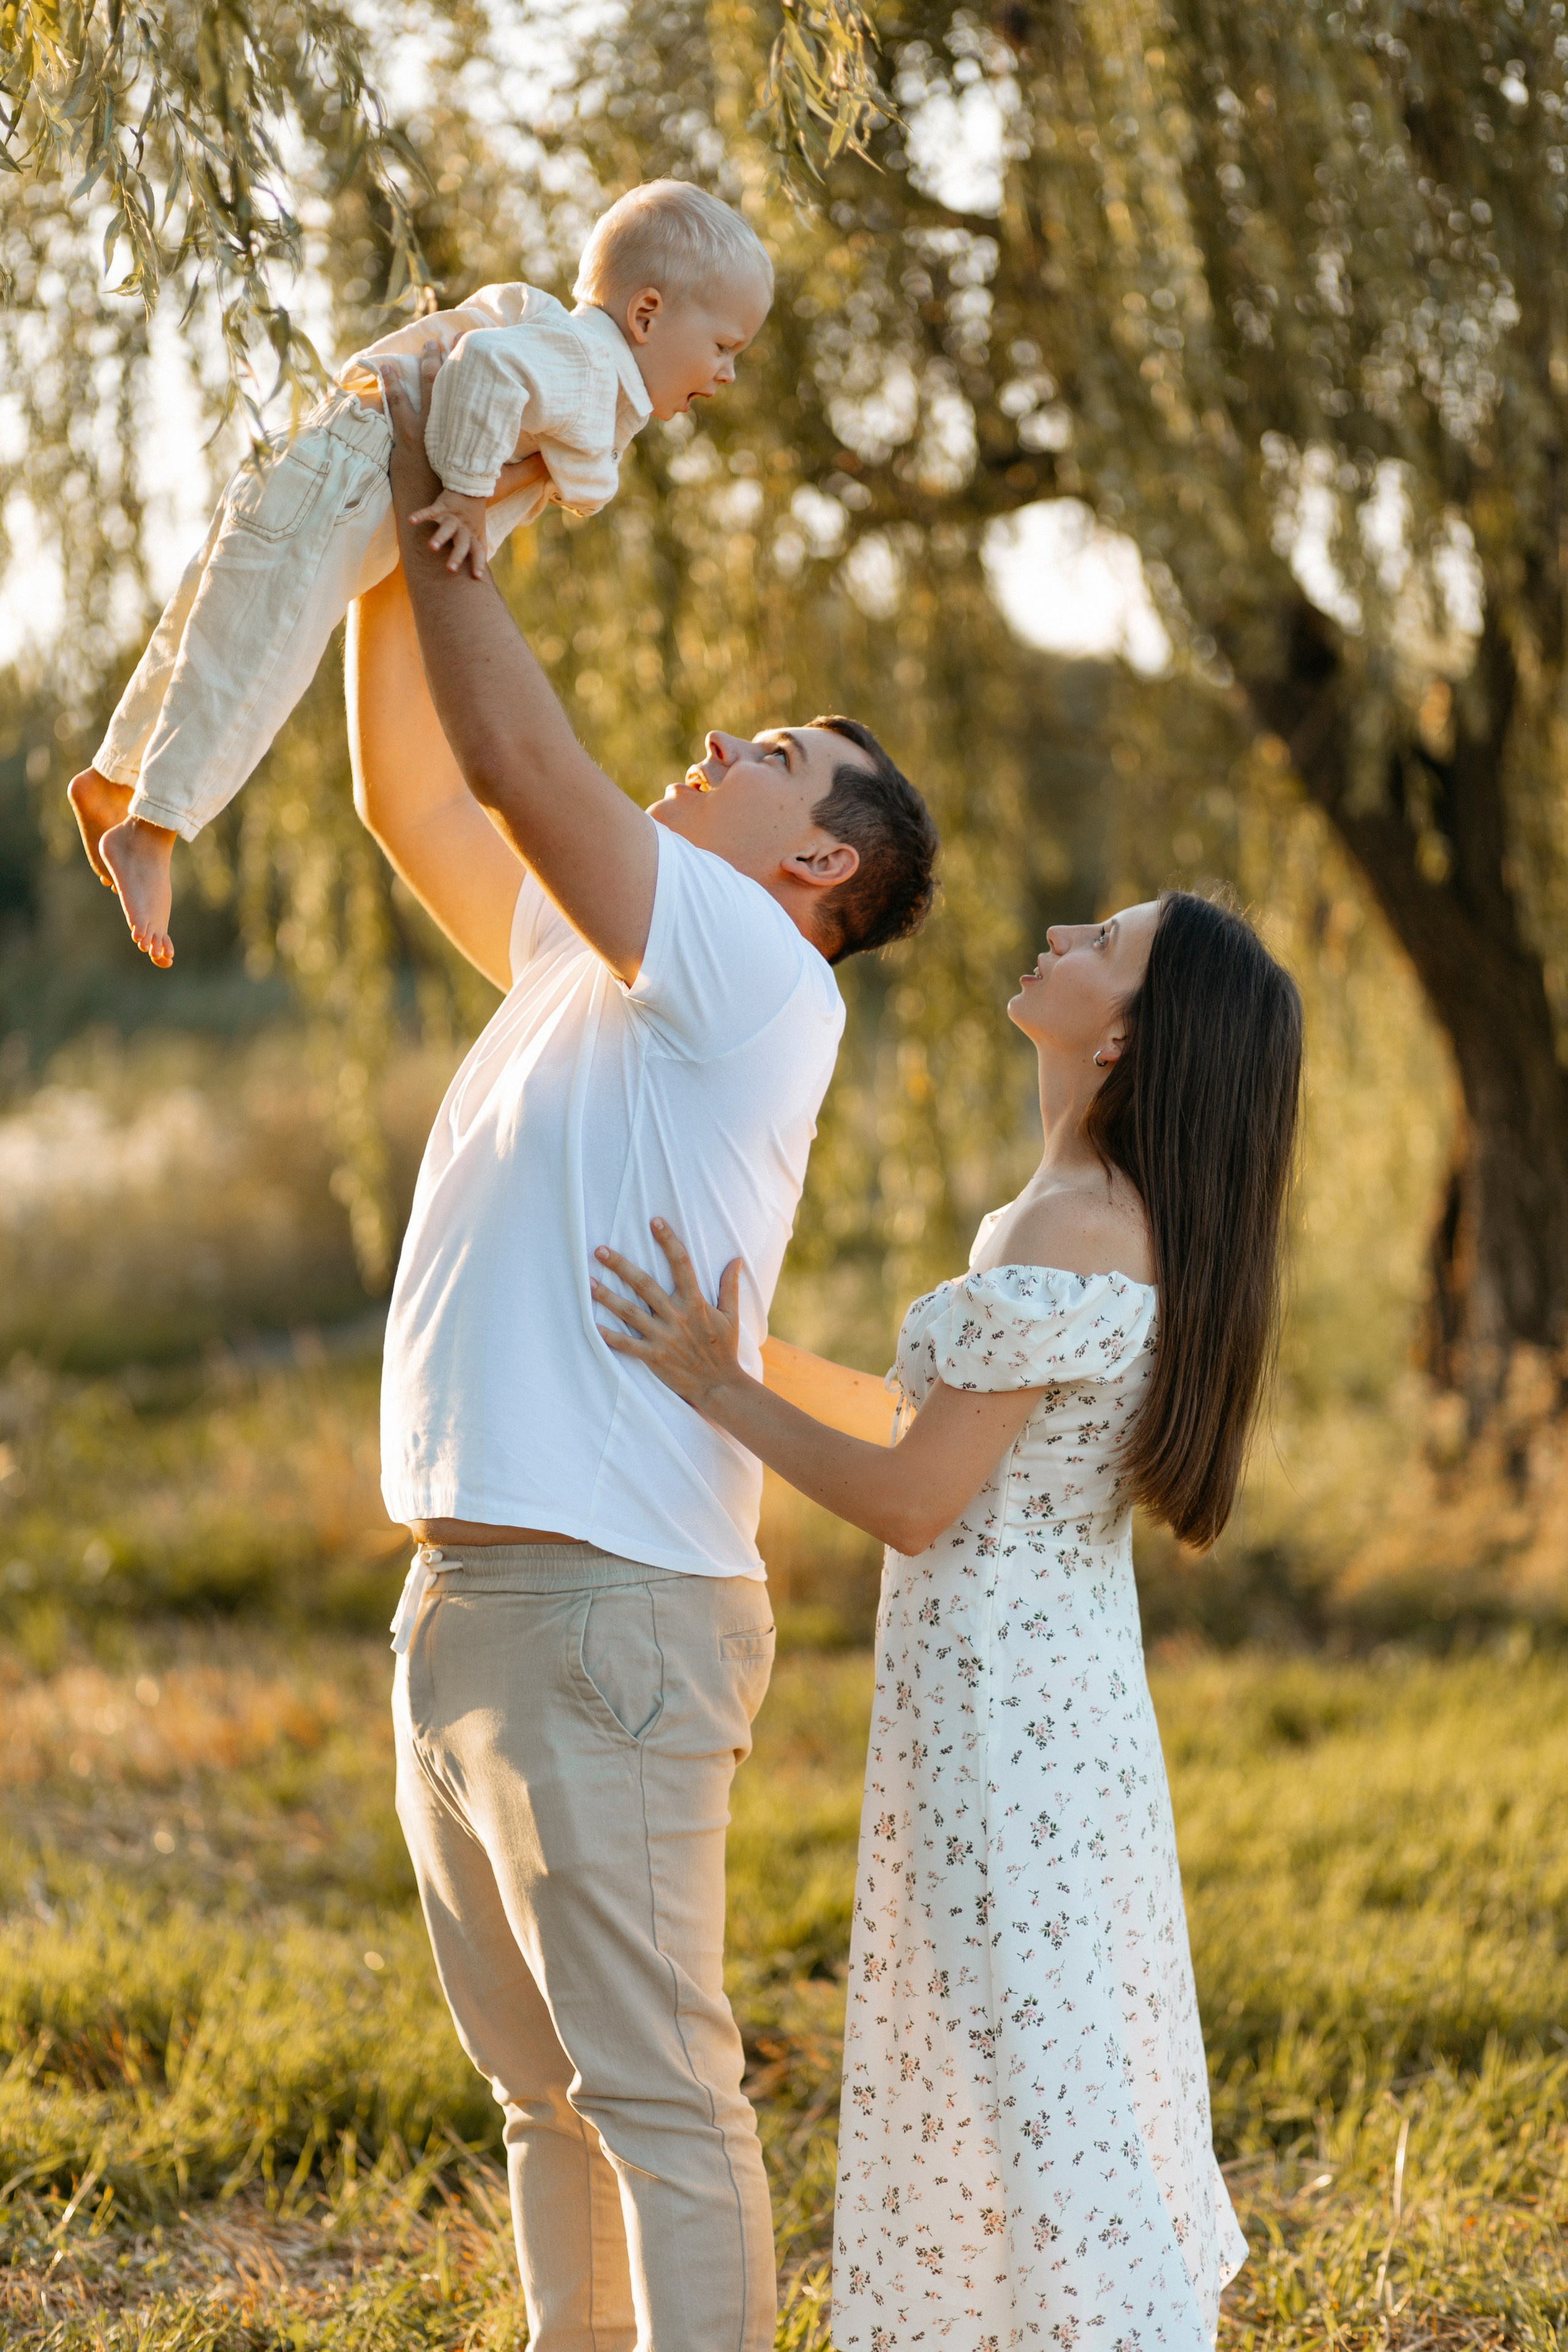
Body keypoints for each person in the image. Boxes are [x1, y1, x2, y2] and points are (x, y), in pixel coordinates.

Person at [347, 342, 937, 2351]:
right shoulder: (600, 958)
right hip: (474, 1591)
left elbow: (518, 759)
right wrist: (372, 542)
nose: (725, 736)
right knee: (545, 2106)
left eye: (775, 749)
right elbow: (417, 784)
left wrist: (456, 496)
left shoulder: (755, 974)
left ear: (818, 865)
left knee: (660, 2104)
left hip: (614, 1609)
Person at [592, 889, 1303, 2350]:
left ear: (1122, 1041)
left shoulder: (1069, 1224)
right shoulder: (1098, 1217)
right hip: (1060, 1694)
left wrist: (714, 1390)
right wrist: (753, 1358)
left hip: (1004, 1710)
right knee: (1043, 2057)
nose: (1058, 935)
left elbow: (917, 1499)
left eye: (1101, 945)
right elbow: (951, 1439)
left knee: (1029, 2081)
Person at [66, 180, 772, 970]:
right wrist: (466, 501)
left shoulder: (574, 355)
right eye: (723, 348)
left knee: (212, 624)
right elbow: (485, 371)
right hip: (353, 480)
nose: (726, 376)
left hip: (330, 466)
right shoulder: (583, 365)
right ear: (646, 316)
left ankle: (113, 780)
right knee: (259, 655)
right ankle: (153, 828)